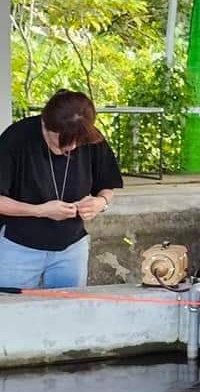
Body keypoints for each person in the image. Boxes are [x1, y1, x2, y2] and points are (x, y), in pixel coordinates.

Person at [0, 89, 121, 290]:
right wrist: (40, 211)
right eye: (63, 141)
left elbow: (107, 185)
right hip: (19, 246)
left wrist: (100, 203)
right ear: (46, 125)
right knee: (9, 313)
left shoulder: (90, 137)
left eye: (78, 142)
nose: (72, 147)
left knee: (69, 313)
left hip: (72, 248)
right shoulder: (16, 139)